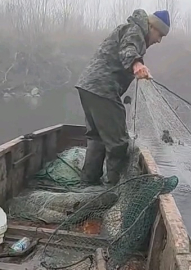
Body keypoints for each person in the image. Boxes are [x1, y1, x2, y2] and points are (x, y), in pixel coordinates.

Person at [75, 9, 170, 185]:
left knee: (97, 137)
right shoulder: (135, 31)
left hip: (87, 86)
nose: (159, 40)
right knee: (118, 143)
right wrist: (137, 64)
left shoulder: (131, 29)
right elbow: (128, 49)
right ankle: (114, 188)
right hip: (103, 89)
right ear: (151, 26)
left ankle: (88, 183)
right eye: (160, 34)